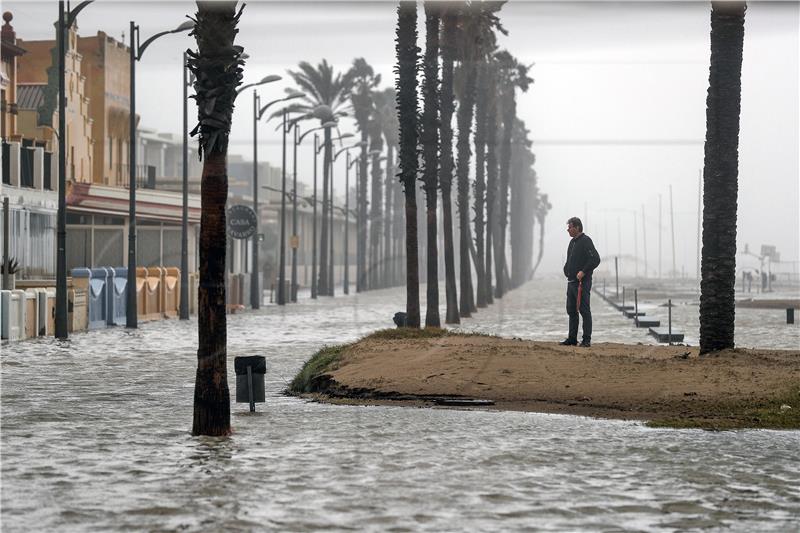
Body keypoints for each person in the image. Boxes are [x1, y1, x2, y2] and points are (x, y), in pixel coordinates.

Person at [561, 217, 601, 347]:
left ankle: (586, 340)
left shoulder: (586, 241)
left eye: (570, 227)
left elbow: (595, 259)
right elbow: (569, 260)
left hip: (582, 283)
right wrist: (566, 270)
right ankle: (572, 338)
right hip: (571, 282)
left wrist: (583, 272)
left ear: (577, 227)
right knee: (571, 310)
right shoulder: (572, 242)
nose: (568, 230)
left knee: (584, 310)